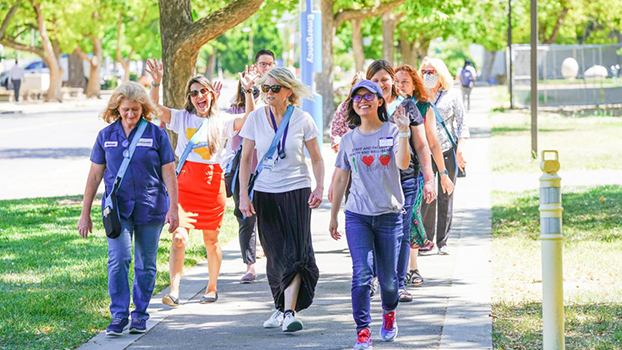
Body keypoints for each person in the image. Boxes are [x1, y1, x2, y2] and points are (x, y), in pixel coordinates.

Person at [145, 59, 257, 307]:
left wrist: (248, 91)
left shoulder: (223, 120)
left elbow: (251, 119)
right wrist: (156, 82)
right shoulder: (182, 118)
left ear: (211, 95)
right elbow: (154, 108)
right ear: (190, 98)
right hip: (184, 186)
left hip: (211, 185)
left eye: (203, 91)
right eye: (193, 93)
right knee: (179, 238)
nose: (198, 96)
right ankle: (174, 290)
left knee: (211, 239)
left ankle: (211, 287)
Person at [77, 82, 179, 336]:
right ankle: (119, 315)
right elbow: (94, 176)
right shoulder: (106, 136)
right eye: (125, 110)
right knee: (118, 259)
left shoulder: (156, 134)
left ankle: (140, 314)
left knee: (146, 264)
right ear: (117, 109)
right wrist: (85, 212)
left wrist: (173, 208)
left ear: (143, 108)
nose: (131, 115)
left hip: (151, 206)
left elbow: (169, 173)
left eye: (135, 110)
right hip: (117, 210)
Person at [238, 67, 324, 332]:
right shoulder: (254, 118)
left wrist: (320, 187)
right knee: (274, 255)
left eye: (275, 88)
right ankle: (279, 306)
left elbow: (317, 159)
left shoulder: (302, 119)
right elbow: (245, 159)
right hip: (265, 193)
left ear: (289, 91)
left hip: (297, 190)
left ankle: (289, 311)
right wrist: (243, 195)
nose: (269, 93)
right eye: (265, 88)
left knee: (296, 252)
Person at [329, 80, 411, 350]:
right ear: (352, 104)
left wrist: (404, 133)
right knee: (361, 273)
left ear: (379, 101)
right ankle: (363, 332)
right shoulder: (349, 140)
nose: (362, 100)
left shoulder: (392, 130)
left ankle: (389, 312)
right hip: (358, 215)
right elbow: (341, 179)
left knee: (389, 282)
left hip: (389, 215)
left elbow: (402, 163)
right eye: (356, 97)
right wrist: (333, 216)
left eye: (368, 96)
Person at [394, 65, 454, 296]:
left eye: (405, 82)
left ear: (414, 84)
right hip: (388, 173)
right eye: (396, 82)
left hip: (415, 172)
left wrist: (442, 174)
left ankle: (412, 268)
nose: (400, 86)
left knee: (411, 216)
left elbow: (432, 143)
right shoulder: (385, 105)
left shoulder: (423, 106)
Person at [419, 57, 469, 255]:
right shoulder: (419, 96)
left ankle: (443, 241)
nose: (428, 75)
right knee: (427, 196)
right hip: (425, 151)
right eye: (425, 71)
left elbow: (462, 124)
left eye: (432, 71)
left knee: (446, 195)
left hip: (447, 149)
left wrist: (460, 150)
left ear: (441, 74)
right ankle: (427, 240)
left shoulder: (452, 95)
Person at [226, 59, 264, 284]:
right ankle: (250, 266)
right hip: (244, 174)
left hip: (267, 173)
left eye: (258, 90)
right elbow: (248, 118)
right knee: (246, 220)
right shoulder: (235, 112)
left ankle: (273, 257)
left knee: (268, 218)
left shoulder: (271, 112)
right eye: (250, 90)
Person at [330, 72, 365, 153]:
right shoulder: (344, 107)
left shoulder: (372, 105)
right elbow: (335, 130)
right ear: (352, 86)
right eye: (358, 86)